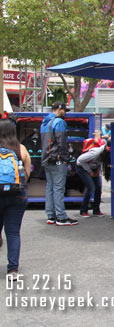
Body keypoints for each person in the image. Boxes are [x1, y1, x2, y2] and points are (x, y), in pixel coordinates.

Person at [0, 118, 31, 280]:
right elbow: (27, 175)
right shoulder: (21, 149)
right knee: (13, 233)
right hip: (17, 195)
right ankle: (12, 270)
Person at [41, 102, 78, 226]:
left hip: (47, 159)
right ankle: (61, 217)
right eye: (64, 110)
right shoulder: (59, 122)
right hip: (57, 159)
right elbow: (61, 142)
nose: (65, 113)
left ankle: (51, 215)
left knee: (50, 187)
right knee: (58, 188)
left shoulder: (45, 122)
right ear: (59, 109)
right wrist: (66, 157)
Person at [76, 131, 107, 218]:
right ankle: (83, 210)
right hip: (82, 167)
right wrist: (90, 171)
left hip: (93, 167)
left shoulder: (104, 154)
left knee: (98, 188)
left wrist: (97, 170)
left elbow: (99, 162)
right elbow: (80, 161)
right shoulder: (95, 153)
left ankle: (96, 210)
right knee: (91, 187)